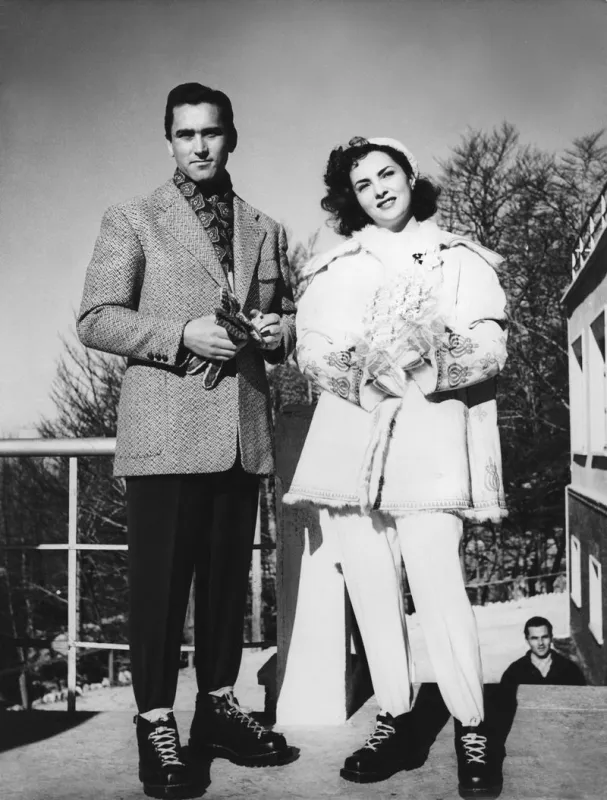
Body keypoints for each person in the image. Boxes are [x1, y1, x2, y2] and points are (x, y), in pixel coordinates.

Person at [78, 82, 295, 799]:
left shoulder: (265, 227)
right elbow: (97, 319)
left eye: (212, 133)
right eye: (185, 134)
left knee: (228, 589)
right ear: (168, 140)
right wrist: (177, 335)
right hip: (165, 436)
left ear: (232, 137)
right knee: (159, 592)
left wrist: (278, 333)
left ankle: (217, 711)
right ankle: (154, 723)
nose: (199, 146)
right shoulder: (133, 218)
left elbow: (283, 314)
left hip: (242, 434)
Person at [284, 136, 508, 799]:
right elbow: (313, 351)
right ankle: (395, 719)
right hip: (349, 446)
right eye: (362, 183)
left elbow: (486, 345)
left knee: (439, 585)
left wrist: (427, 349)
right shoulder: (332, 268)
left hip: (429, 444)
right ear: (347, 197)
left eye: (388, 173)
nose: (380, 188)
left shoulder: (457, 259)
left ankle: (470, 727)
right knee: (372, 593)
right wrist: (362, 367)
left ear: (410, 177)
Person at [501, 616, 586, 686]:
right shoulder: (514, 672)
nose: (540, 643)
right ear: (527, 640)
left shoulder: (570, 670)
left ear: (551, 638)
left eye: (545, 637)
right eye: (534, 638)